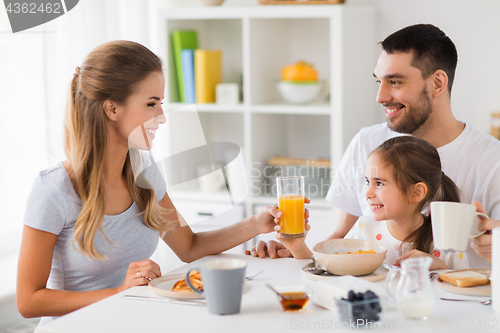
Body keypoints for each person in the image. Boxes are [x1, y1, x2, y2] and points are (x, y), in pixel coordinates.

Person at [16, 41, 285, 325]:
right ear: (112, 109)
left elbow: (189, 246)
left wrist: (257, 224)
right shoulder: (54, 190)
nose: (162, 117)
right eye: (151, 103)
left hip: (132, 321)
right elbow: (29, 300)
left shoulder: (144, 173)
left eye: (161, 103)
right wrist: (118, 292)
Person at [246, 24, 500, 268]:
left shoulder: (491, 160)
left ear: (437, 83)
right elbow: (340, 242)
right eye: (379, 82)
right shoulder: (367, 143)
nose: (381, 97)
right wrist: (295, 252)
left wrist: (496, 247)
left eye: (396, 82)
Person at [276, 136, 469, 271]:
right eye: (368, 182)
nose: (367, 193)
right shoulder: (363, 228)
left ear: (416, 192)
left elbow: (465, 295)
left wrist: (439, 267)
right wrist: (297, 247)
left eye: (379, 183)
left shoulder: (446, 242)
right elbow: (322, 268)